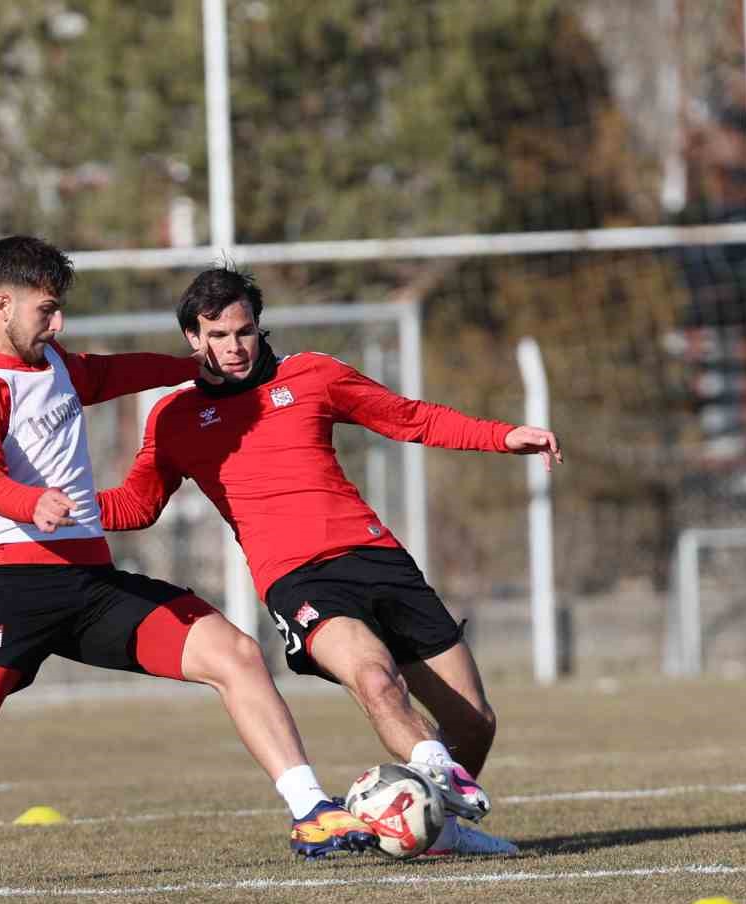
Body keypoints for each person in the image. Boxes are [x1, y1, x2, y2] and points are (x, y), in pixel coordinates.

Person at [0, 239, 377, 896]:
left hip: (89, 585)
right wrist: (29, 499)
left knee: (234, 654)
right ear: (3, 304)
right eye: (47, 310)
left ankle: (311, 811)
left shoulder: (57, 365)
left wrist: (190, 369)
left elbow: (112, 373)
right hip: (11, 590)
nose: (58, 323)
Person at [98, 267, 562, 857]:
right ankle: (436, 788)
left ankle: (435, 824)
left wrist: (501, 436)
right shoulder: (175, 417)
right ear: (193, 339)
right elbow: (137, 504)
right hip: (297, 577)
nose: (234, 347)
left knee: (475, 722)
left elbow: (408, 417)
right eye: (218, 336)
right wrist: (52, 506)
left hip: (377, 558)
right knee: (374, 678)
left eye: (244, 332)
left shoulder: (312, 374)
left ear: (259, 327)